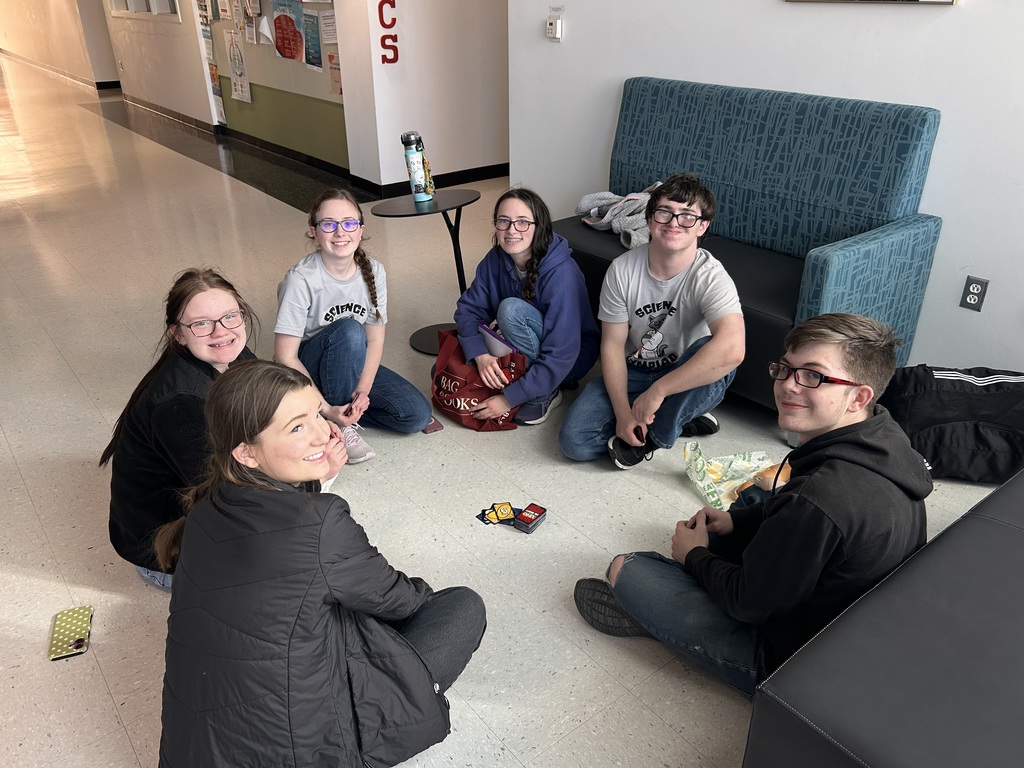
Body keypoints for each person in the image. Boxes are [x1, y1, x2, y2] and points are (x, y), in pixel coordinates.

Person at [573, 313, 932, 695]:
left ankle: (661, 623)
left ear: (858, 396)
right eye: (785, 369)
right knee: (750, 506)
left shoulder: (820, 501)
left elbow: (749, 603)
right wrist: (736, 523)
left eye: (813, 375)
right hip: (843, 617)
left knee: (628, 570)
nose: (788, 386)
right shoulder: (883, 432)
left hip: (796, 662)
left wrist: (693, 557)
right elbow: (794, 512)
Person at [154, 360, 486, 767]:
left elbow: (294, 551)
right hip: (312, 751)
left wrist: (317, 477)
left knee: (328, 602)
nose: (324, 432)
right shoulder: (321, 522)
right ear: (246, 451)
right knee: (460, 606)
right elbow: (399, 600)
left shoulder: (206, 508)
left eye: (317, 413)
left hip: (197, 751)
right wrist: (416, 595)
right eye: (297, 427)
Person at [558, 172, 745, 469]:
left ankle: (655, 436)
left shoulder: (711, 275)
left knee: (718, 352)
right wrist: (622, 413)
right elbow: (612, 345)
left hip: (686, 375)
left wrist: (658, 392)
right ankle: (682, 417)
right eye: (664, 213)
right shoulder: (622, 270)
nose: (673, 223)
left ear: (702, 226)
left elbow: (733, 349)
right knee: (574, 443)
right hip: (635, 368)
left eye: (687, 216)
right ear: (649, 220)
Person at [100, 267, 264, 590]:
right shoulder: (181, 402)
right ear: (178, 333)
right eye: (201, 323)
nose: (221, 331)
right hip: (164, 555)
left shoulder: (234, 352)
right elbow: (229, 498)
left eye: (231, 316)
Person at [275, 188, 433, 463]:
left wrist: (363, 390)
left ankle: (337, 414)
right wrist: (325, 407)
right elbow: (284, 356)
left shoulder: (375, 271)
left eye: (349, 223)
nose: (340, 232)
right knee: (349, 330)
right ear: (313, 231)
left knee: (415, 415)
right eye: (329, 224)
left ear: (360, 230)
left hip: (349, 359)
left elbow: (375, 339)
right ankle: (337, 425)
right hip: (305, 368)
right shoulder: (301, 280)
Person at [453, 188, 600, 425]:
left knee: (511, 310)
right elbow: (468, 308)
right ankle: (517, 377)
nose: (511, 231)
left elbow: (562, 352)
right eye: (504, 221)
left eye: (522, 222)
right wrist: (479, 354)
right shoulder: (496, 258)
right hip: (517, 342)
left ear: (538, 226)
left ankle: (544, 391)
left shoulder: (562, 274)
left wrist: (508, 400)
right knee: (450, 370)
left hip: (569, 361)